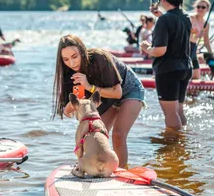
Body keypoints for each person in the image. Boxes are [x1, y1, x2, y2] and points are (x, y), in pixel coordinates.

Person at [52, 34, 145, 168]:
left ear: (82, 51)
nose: (72, 63)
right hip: (105, 98)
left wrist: (88, 86)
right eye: (66, 59)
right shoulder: (68, 72)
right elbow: (68, 112)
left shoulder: (99, 57)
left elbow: (117, 93)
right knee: (94, 134)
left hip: (128, 90)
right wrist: (72, 106)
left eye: (74, 57)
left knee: (118, 135)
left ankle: (121, 171)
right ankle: (95, 167)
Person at [141, 0, 192, 129]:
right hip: (185, 68)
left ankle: (173, 145)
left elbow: (160, 50)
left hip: (168, 70)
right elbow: (174, 24)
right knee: (178, 110)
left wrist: (147, 48)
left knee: (170, 113)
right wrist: (161, 16)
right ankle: (183, 142)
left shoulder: (165, 20)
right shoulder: (185, 17)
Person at [189, 0, 214, 79]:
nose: (200, 9)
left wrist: (211, 54)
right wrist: (196, 35)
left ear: (207, 9)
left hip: (193, 47)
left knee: (197, 76)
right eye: (198, 7)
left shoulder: (206, 24)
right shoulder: (191, 18)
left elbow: (206, 42)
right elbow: (183, 35)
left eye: (203, 7)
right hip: (185, 47)